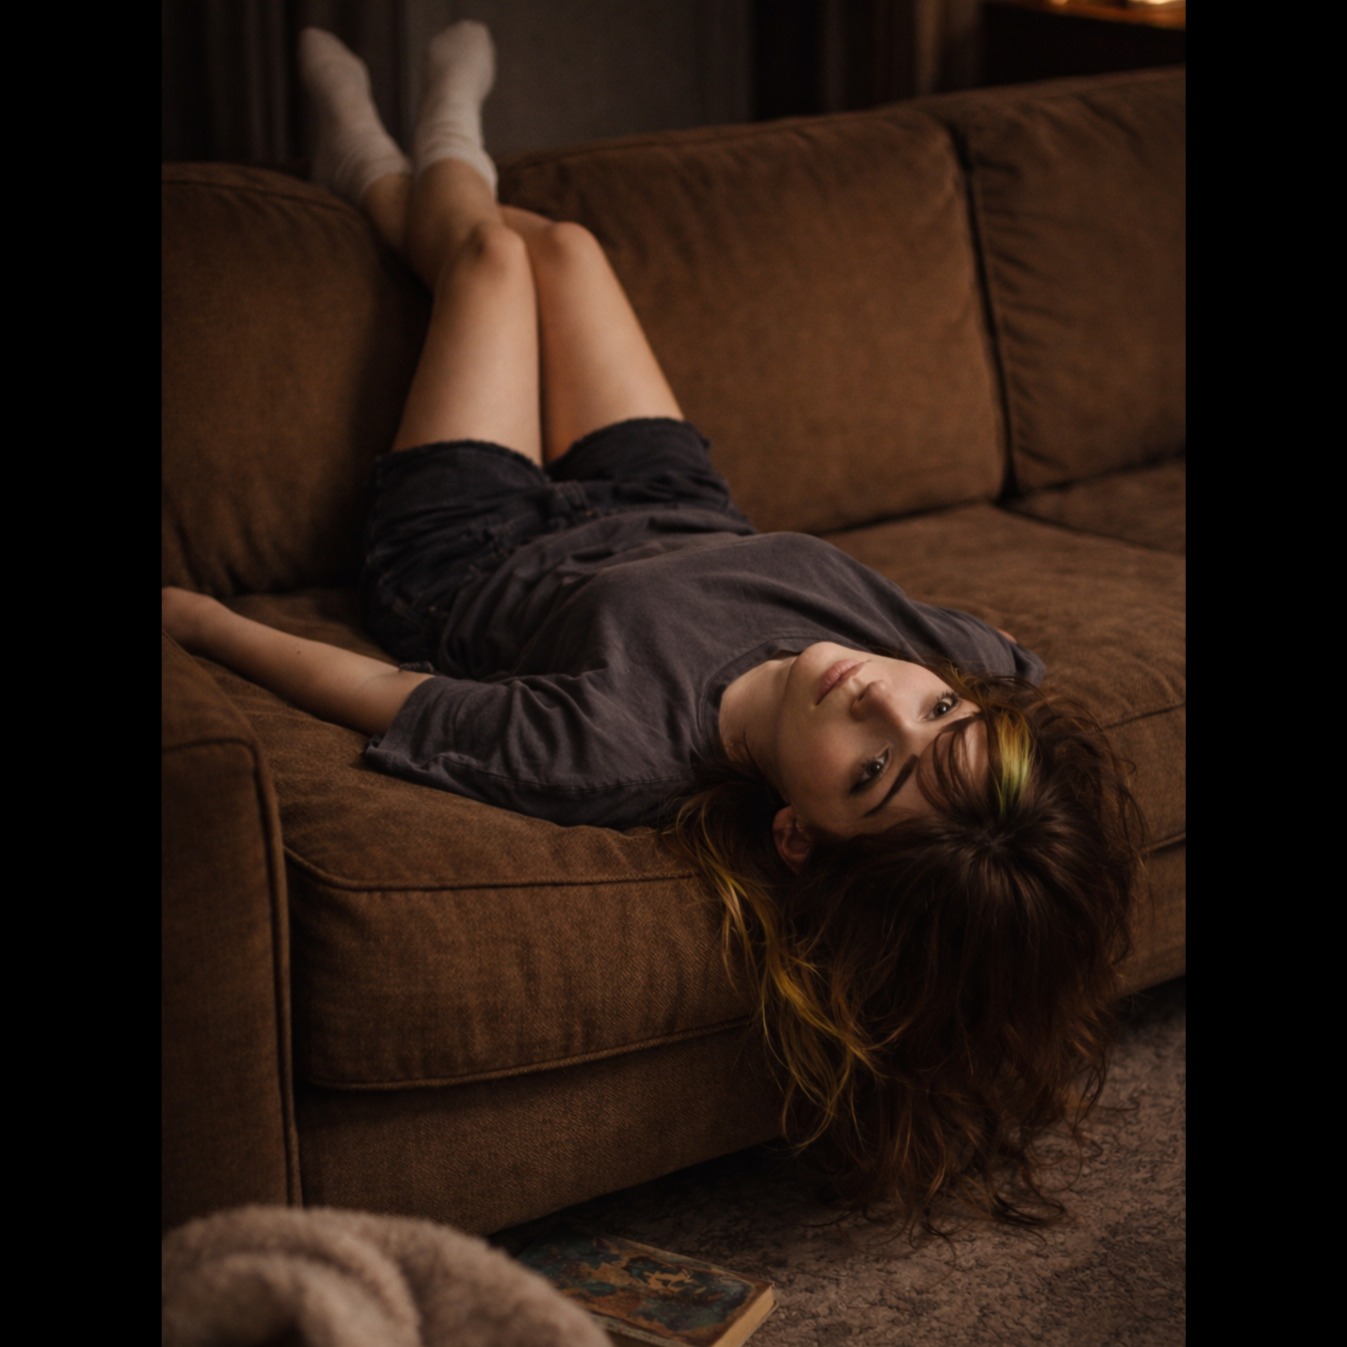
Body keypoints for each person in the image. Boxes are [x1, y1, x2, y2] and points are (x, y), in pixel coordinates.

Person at [161, 23, 1145, 1235]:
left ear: (796, 835)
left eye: (872, 772)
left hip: (471, 548)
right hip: (673, 502)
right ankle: (401, 179)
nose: (880, 697)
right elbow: (1017, 727)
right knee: (566, 247)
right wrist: (989, 780)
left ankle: (374, 154)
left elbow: (385, 695)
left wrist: (203, 620)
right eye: (938, 710)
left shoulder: (615, 751)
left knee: (491, 261)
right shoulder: (952, 672)